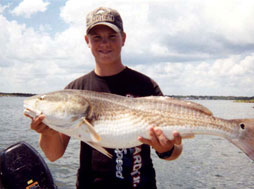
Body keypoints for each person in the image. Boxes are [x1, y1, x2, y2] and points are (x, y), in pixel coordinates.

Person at [25, 6, 183, 189]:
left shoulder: (146, 85)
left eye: (112, 36)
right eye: (97, 37)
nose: (104, 43)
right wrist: (47, 132)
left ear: (123, 39)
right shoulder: (75, 89)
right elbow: (53, 155)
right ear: (87, 41)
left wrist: (167, 150)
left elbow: (176, 152)